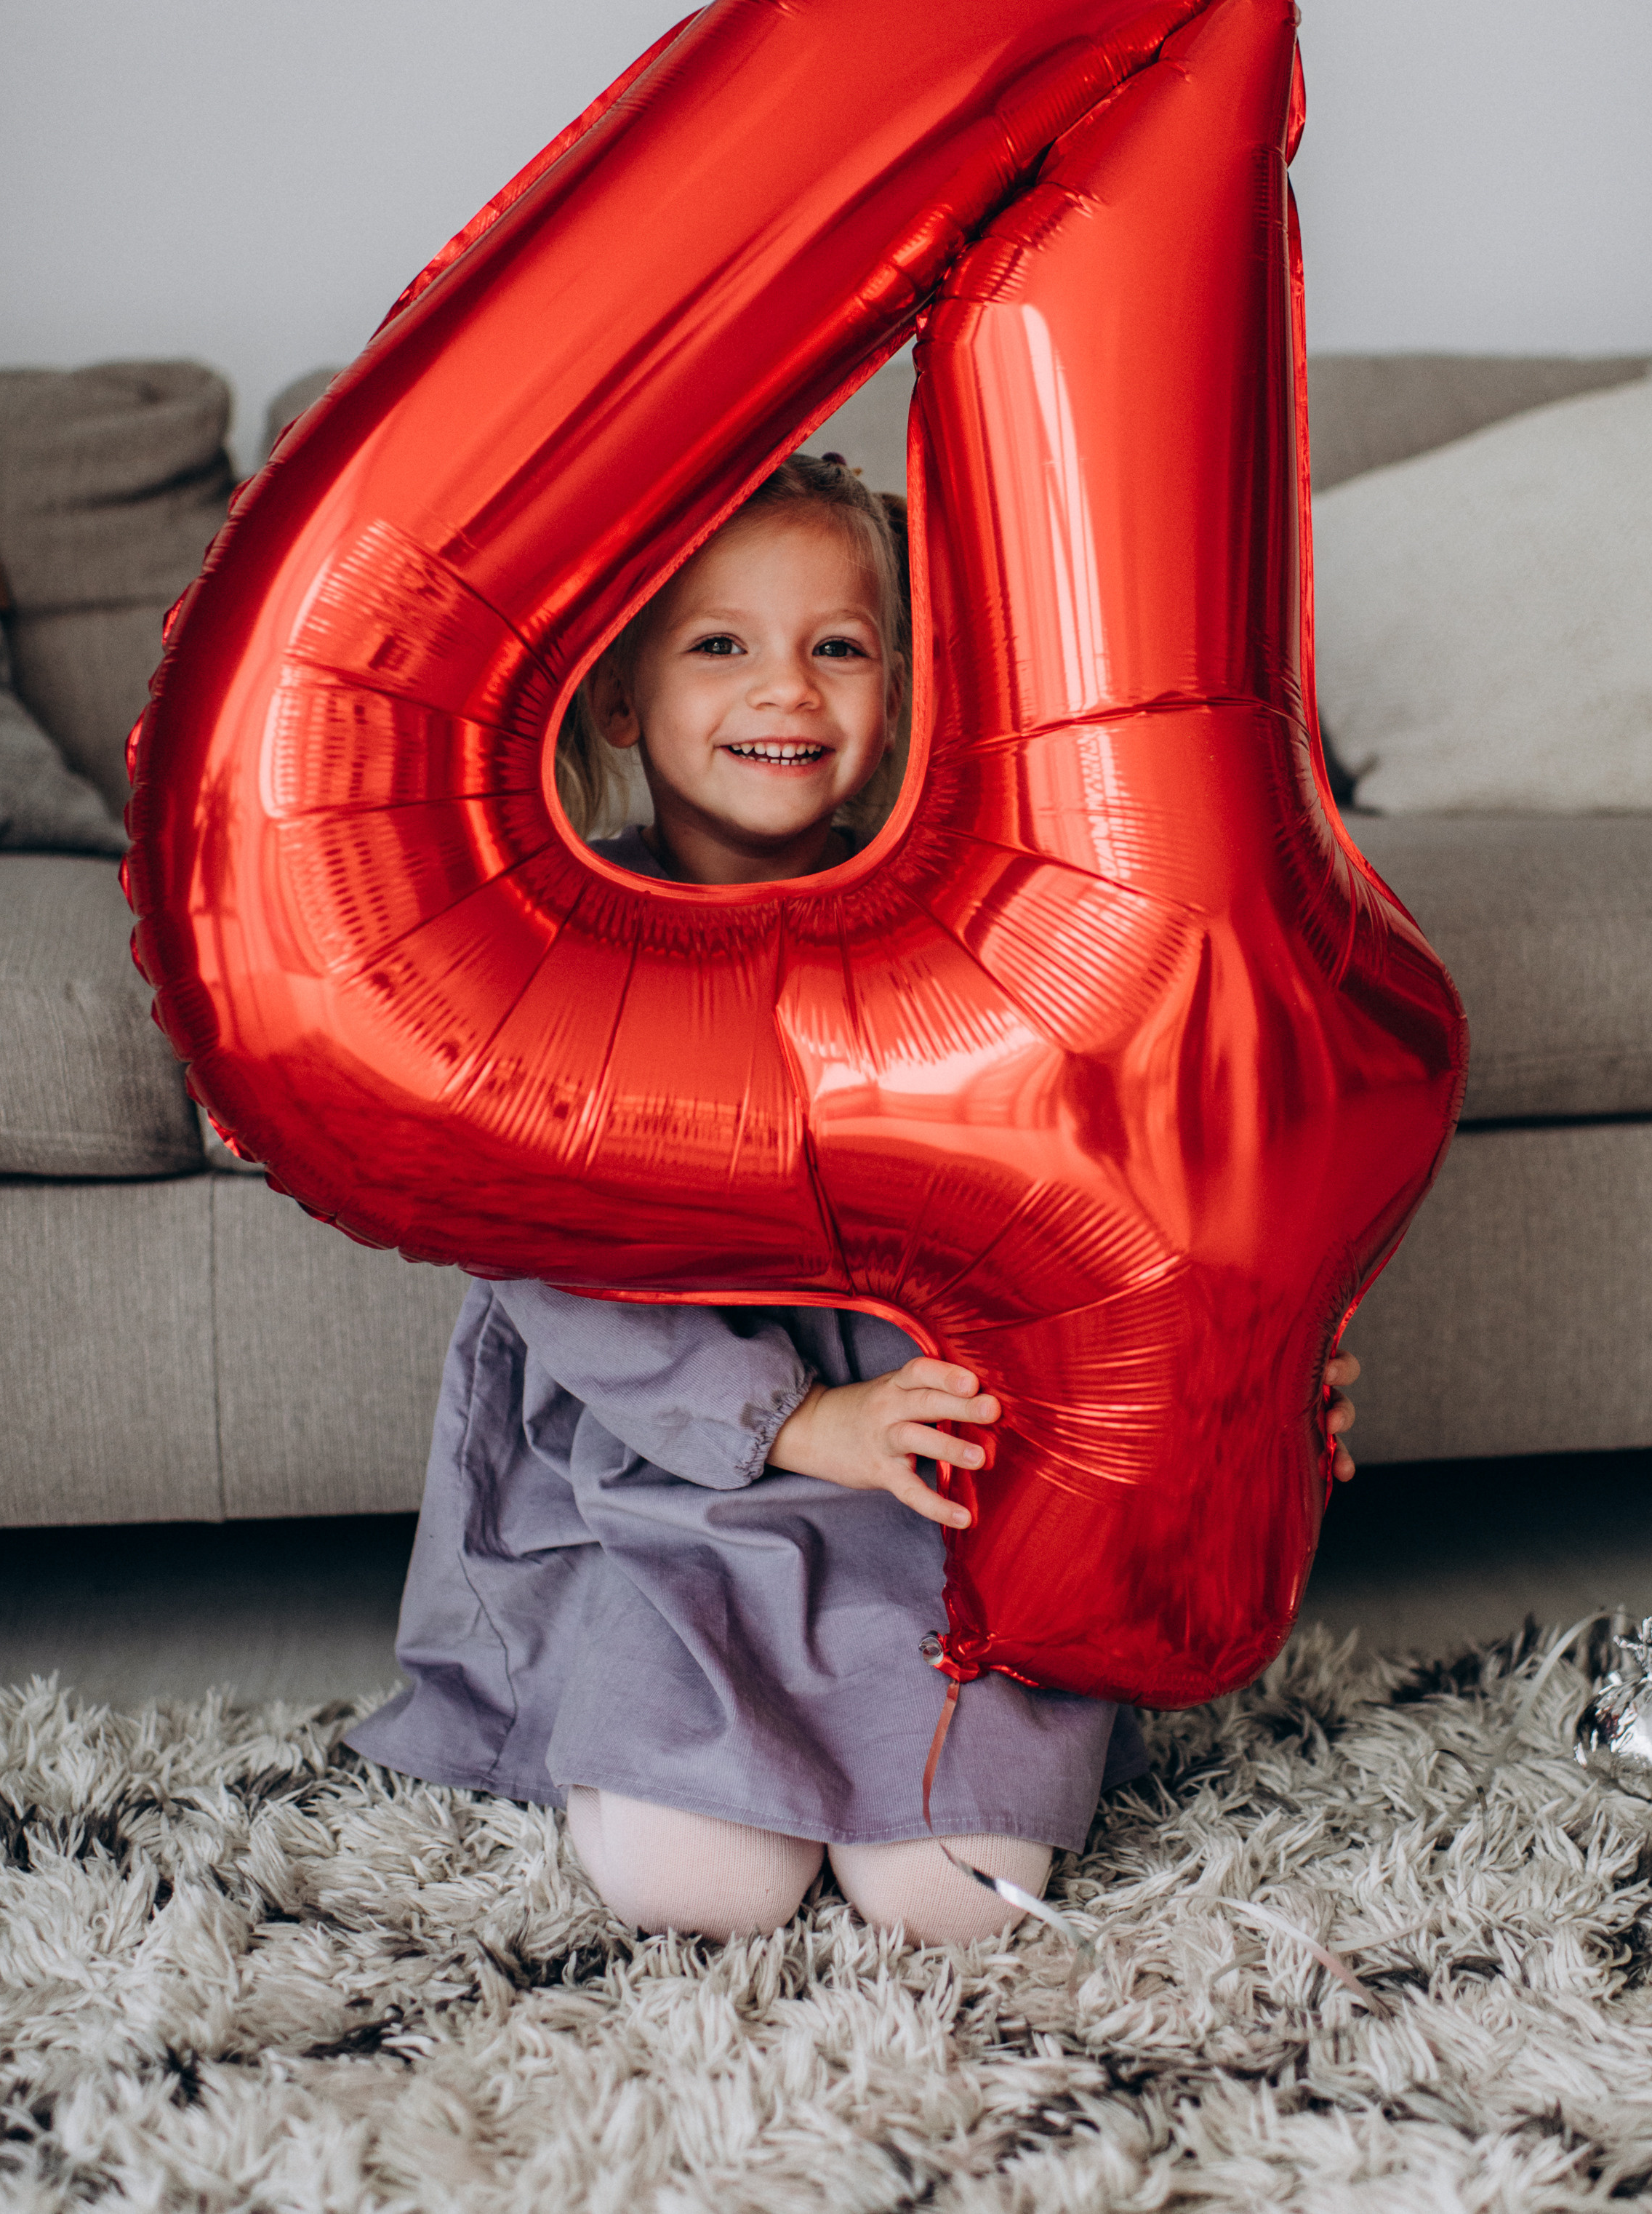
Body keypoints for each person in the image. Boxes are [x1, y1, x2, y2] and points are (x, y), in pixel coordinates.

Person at [348, 452, 1361, 1945]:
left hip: (933, 1489)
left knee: (960, 1906)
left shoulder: (971, 919)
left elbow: (1127, 1178)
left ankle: (888, 1770)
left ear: (898, 692)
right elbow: (539, 1245)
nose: (789, 692)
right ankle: (686, 1751)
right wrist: (791, 1424)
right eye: (721, 645)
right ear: (622, 696)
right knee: (697, 1889)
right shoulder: (556, 947)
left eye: (839, 646)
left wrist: (1244, 1375)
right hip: (671, 1488)